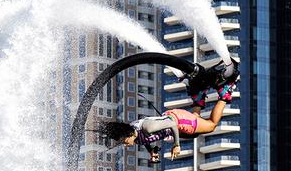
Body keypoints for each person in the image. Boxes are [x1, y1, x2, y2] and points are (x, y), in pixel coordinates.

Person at [97, 59, 239, 163]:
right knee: (194, 133)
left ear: (127, 134)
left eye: (124, 141)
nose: (126, 144)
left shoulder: (147, 128)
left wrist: (176, 145)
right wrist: (151, 151)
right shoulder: (135, 134)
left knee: (211, 126)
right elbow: (145, 140)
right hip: (173, 119)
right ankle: (198, 96)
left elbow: (171, 124)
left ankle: (225, 93)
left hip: (177, 121)